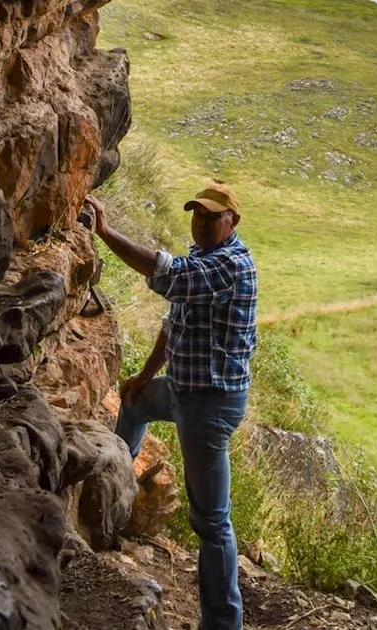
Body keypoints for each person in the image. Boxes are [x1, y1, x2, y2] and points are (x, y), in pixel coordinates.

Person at [86, 183, 257, 630]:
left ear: (232, 221)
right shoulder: (203, 256)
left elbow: (169, 276)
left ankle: (223, 623)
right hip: (182, 389)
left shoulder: (231, 266)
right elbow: (171, 325)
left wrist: (105, 232)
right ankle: (116, 498)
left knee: (212, 520)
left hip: (210, 405)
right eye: (197, 215)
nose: (201, 223)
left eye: (212, 217)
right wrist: (142, 379)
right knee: (136, 404)